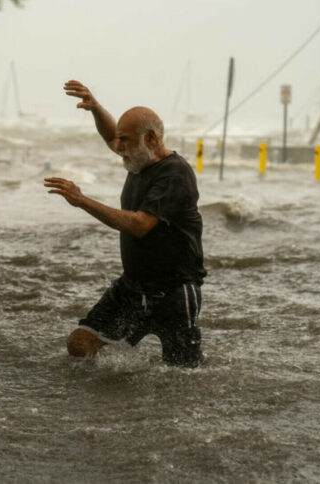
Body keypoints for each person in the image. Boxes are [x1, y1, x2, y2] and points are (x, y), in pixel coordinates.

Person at [44, 80, 206, 368]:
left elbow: (140, 224)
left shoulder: (174, 174)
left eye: (126, 141)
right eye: (120, 141)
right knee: (79, 344)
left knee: (182, 376)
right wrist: (95, 108)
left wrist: (82, 201)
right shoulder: (137, 159)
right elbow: (111, 137)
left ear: (152, 139)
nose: (119, 148)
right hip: (131, 288)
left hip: (174, 292)